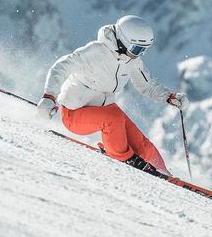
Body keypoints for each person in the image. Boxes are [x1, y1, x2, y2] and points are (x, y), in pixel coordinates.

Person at [37, 15, 188, 176]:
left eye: (143, 50)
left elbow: (146, 85)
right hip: (74, 114)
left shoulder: (132, 61)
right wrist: (49, 96)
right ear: (123, 41)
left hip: (105, 111)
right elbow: (61, 67)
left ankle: (163, 172)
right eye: (136, 49)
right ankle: (124, 159)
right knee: (113, 118)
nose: (138, 54)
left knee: (143, 145)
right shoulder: (95, 51)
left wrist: (168, 97)